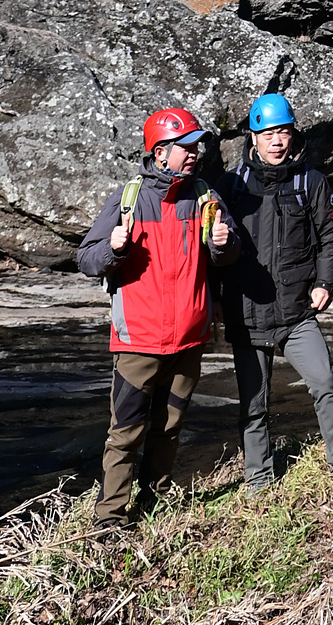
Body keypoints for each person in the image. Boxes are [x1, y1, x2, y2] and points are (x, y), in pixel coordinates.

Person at [77, 106, 239, 531]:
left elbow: (229, 251)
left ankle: (154, 506)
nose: (195, 153)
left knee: (169, 428)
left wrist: (224, 243)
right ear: (161, 150)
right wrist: (114, 247)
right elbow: (87, 259)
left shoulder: (204, 195)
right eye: (187, 146)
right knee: (126, 433)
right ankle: (109, 519)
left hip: (188, 340)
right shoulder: (128, 198)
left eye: (197, 145)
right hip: (138, 343)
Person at [219, 93, 333, 494]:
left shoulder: (310, 181)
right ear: (254, 137)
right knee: (253, 405)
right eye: (268, 133)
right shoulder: (231, 185)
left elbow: (332, 235)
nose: (277, 141)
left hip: (297, 314)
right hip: (246, 314)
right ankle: (258, 483)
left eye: (283, 132)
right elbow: (209, 244)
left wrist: (326, 283)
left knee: (326, 384)